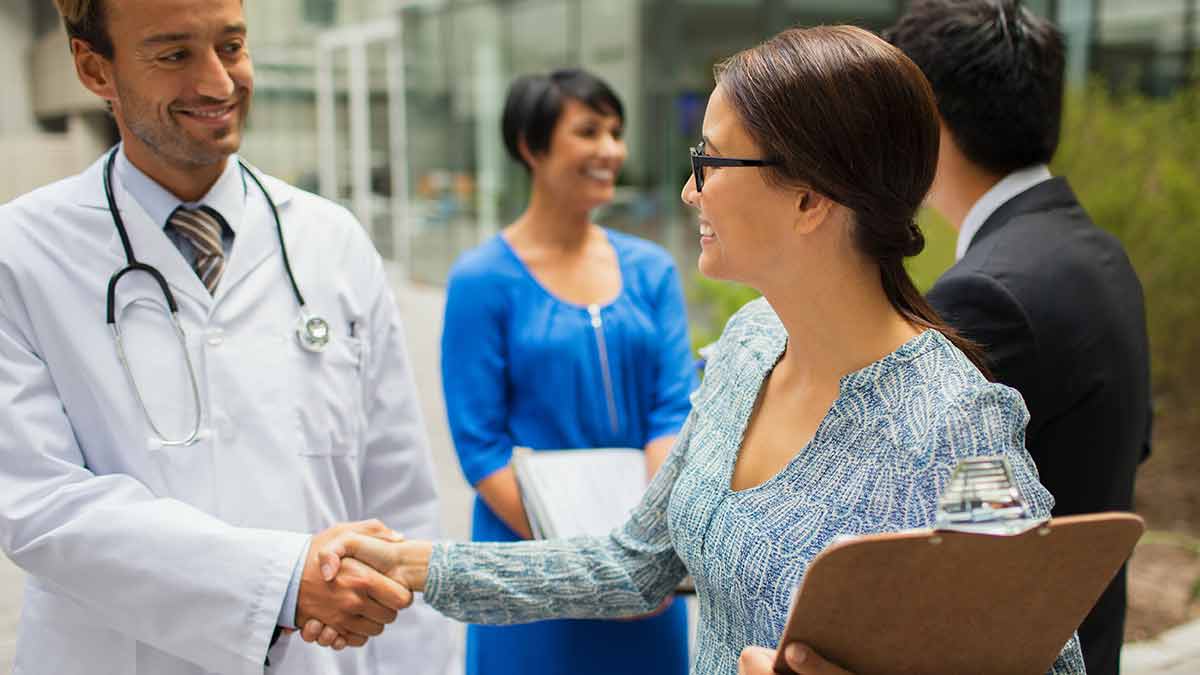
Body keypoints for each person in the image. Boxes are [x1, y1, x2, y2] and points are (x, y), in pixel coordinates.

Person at [307, 26, 1086, 674]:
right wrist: (414, 565)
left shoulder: (955, 426)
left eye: (709, 162)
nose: (690, 191)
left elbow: (1047, 661)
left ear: (810, 197)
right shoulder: (750, 344)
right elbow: (634, 562)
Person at [0, 0, 448, 672]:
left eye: (231, 46)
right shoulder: (21, 253)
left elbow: (399, 498)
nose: (217, 83)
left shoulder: (332, 241)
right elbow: (40, 504)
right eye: (174, 54)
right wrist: (281, 580)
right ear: (95, 69)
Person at [884, 3, 1152, 673]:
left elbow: (930, 521)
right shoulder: (1098, 252)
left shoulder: (985, 293)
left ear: (930, 119)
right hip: (1091, 642)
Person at [436, 69, 693, 675]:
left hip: (642, 564)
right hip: (529, 563)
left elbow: (672, 411)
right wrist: (583, 565)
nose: (611, 150)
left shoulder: (652, 270)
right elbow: (481, 447)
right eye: (588, 131)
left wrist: (642, 551)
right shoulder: (481, 280)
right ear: (531, 146)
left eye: (615, 132)